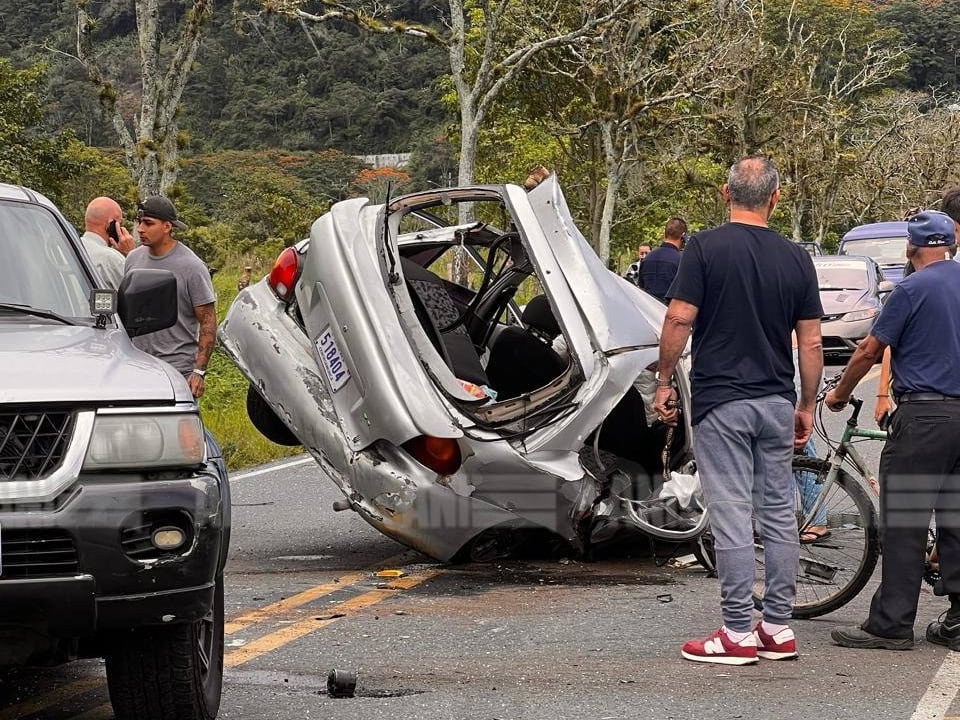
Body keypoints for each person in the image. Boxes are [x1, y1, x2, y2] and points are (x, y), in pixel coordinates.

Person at [654, 156, 823, 665]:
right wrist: (807, 404)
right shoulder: (796, 258)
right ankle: (777, 627)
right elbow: (811, 343)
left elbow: (680, 317)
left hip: (721, 402)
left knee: (730, 514)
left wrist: (663, 380)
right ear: (775, 199)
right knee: (777, 515)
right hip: (775, 401)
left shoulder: (704, 246)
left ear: (725, 195)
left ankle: (735, 632)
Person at [827, 210, 960, 652]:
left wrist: (840, 394)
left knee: (904, 520)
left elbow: (869, 348)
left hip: (924, 417)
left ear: (911, 248)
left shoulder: (910, 289)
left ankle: (892, 624)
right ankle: (958, 619)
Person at [124, 196, 216, 400]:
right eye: (139, 222)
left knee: (180, 431)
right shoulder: (133, 259)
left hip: (176, 370)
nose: (140, 229)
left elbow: (208, 321)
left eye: (148, 223)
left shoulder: (191, 266)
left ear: (167, 226)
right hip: (138, 367)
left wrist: (199, 372)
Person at [80, 196, 136, 291]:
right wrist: (132, 255)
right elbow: (137, 293)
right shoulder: (111, 258)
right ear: (110, 225)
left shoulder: (71, 247)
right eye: (119, 223)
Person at [640, 218, 687, 302]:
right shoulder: (682, 261)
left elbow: (641, 287)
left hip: (647, 310)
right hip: (668, 311)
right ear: (683, 236)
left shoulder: (647, 258)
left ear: (665, 234)